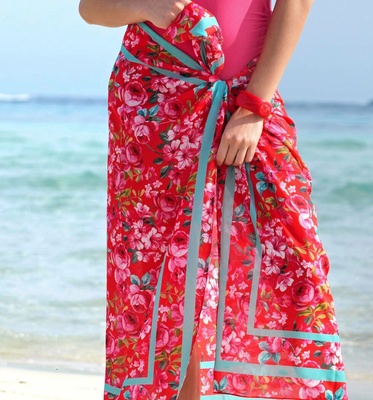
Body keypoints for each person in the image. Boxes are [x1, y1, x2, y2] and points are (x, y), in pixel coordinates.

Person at [79, 1, 348, 399]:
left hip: (248, 98)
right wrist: (147, 5)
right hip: (153, 100)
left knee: (296, 261)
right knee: (166, 278)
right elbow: (91, 8)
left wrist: (255, 105)